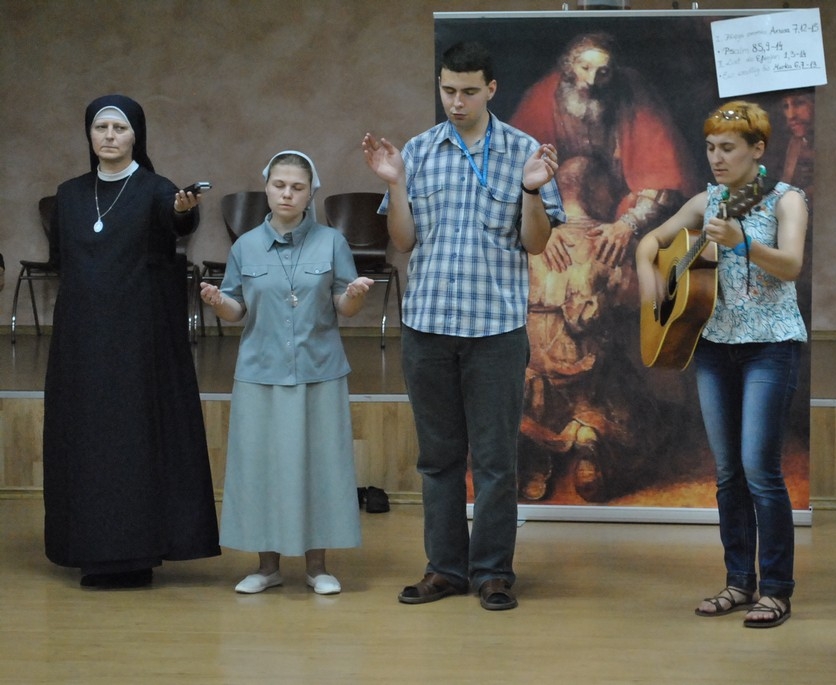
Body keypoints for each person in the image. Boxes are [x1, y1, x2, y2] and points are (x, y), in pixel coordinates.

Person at [361, 41, 565, 611]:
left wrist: (531, 189)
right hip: (427, 326)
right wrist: (394, 182)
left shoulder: (525, 152)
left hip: (495, 330)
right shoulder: (419, 151)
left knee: (496, 461)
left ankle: (493, 572)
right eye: (448, 90)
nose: (456, 101)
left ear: (491, 90)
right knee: (438, 458)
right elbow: (403, 241)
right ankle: (445, 569)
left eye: (469, 91)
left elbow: (536, 243)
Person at [635, 101, 808, 628]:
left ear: (758, 150)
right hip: (712, 345)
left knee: (759, 468)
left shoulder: (787, 200)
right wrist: (650, 280)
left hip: (770, 344)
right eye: (711, 147)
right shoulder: (704, 201)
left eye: (728, 148)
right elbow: (650, 241)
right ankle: (738, 581)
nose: (716, 157)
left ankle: (775, 589)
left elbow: (791, 265)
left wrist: (743, 243)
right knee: (728, 471)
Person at [509, 32, 699, 502]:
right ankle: (539, 443)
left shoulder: (632, 96)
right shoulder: (542, 98)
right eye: (584, 69)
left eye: (603, 71)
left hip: (620, 219)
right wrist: (545, 226)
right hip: (550, 224)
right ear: (568, 68)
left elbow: (661, 176)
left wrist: (626, 225)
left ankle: (594, 435)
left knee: (604, 292)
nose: (593, 81)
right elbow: (514, 178)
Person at [43, 94, 220, 588]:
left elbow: (176, 222)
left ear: (136, 136)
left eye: (119, 128)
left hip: (138, 341)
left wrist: (183, 211)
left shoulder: (157, 189)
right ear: (89, 134)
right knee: (86, 441)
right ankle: (89, 550)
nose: (109, 136)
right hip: (82, 341)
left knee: (133, 440)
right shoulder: (70, 194)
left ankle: (135, 553)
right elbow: (62, 261)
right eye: (101, 128)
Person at [200, 151, 372, 595]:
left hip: (320, 370)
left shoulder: (332, 242)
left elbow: (345, 306)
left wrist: (355, 295)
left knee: (322, 465)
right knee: (261, 467)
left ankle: (318, 568)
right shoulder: (245, 246)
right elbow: (237, 309)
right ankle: (267, 567)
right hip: (261, 371)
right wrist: (218, 303)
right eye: (279, 185)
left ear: (311, 192)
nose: (287, 194)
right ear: (267, 187)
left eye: (297, 187)